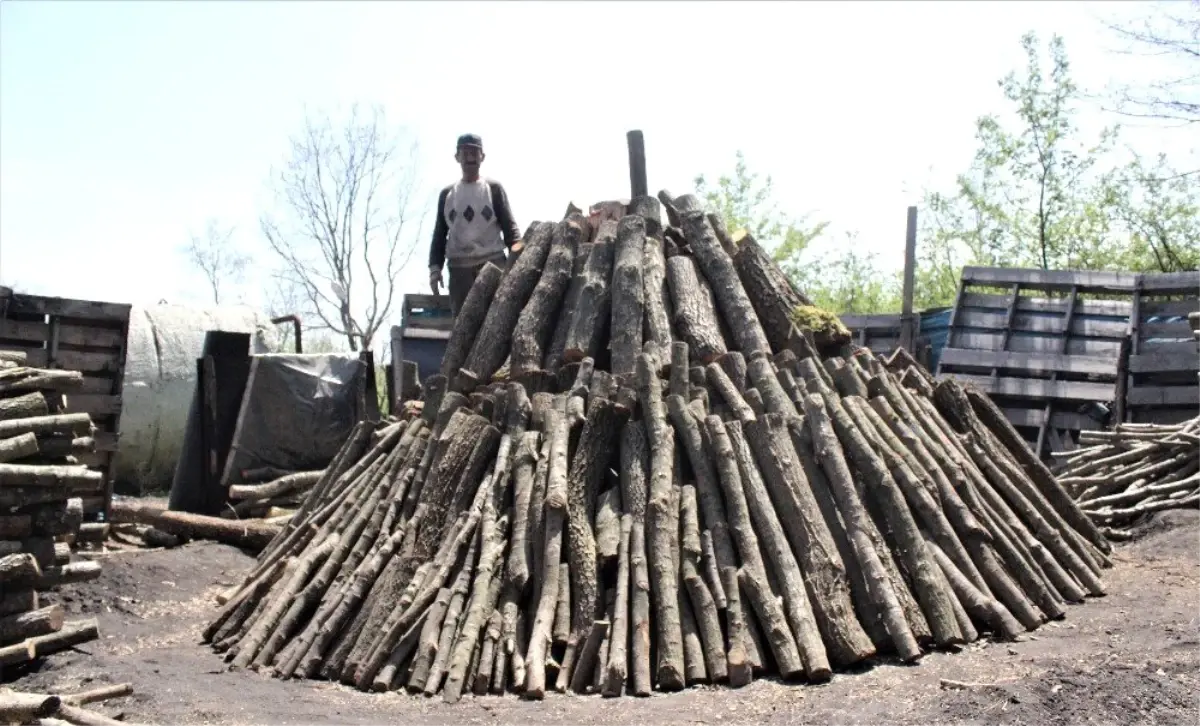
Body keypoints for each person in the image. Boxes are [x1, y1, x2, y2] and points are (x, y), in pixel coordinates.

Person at [428, 133, 523, 318]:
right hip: (459, 269)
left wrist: (518, 259)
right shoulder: (447, 195)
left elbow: (510, 229)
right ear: (457, 157)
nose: (470, 157)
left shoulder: (493, 188)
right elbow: (439, 235)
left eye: (474, 152)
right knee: (463, 324)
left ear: (482, 157)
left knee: (498, 319)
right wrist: (434, 269)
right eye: (465, 153)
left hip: (493, 262)